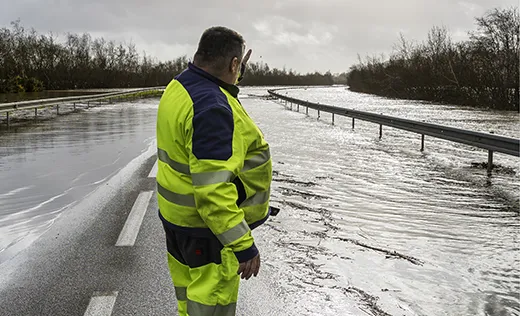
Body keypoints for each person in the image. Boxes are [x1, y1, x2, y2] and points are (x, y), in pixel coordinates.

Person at [155, 26, 273, 316]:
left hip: (177, 221)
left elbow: (218, 84)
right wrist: (243, 245)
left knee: (189, 302)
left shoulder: (181, 86)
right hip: (207, 233)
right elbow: (213, 190)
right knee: (211, 306)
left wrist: (235, 73)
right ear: (233, 63)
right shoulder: (213, 108)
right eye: (237, 67)